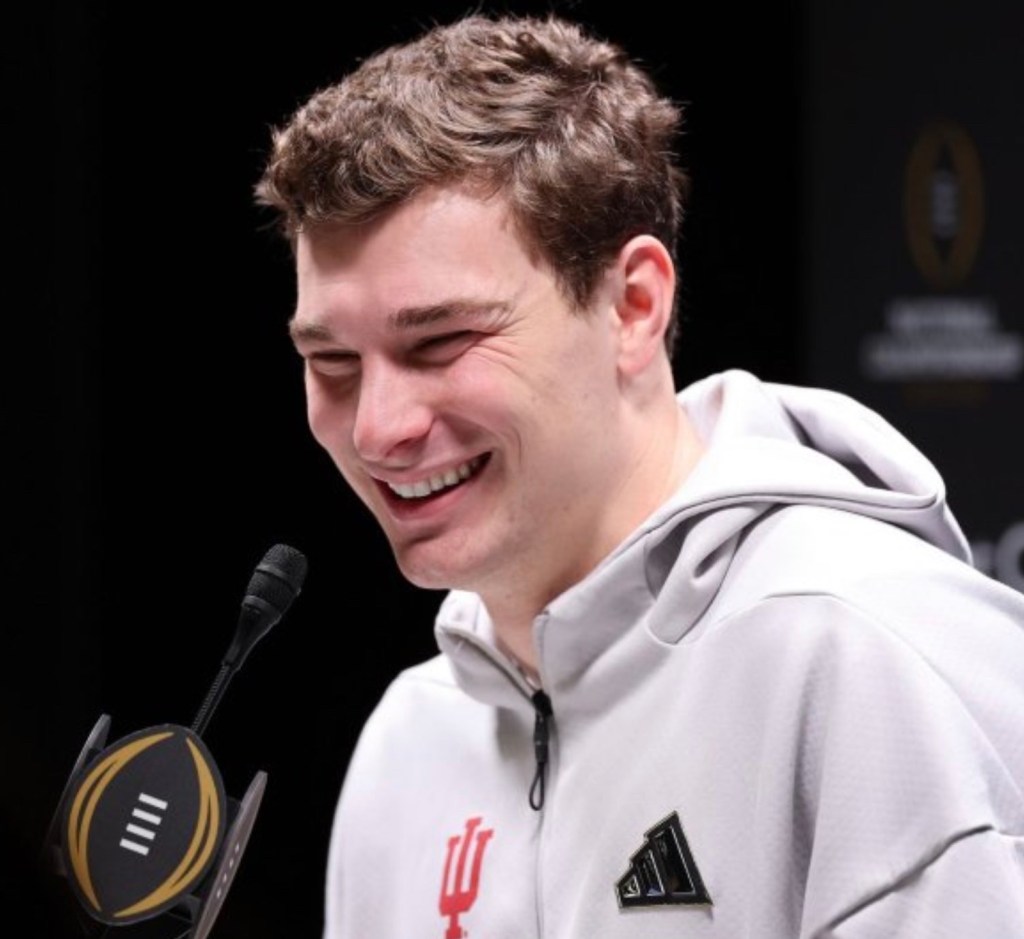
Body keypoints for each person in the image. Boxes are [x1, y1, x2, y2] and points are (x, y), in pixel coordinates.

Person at [254, 12, 1024, 938]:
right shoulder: (408, 743)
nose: (378, 427)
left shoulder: (870, 660)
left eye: (442, 341)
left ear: (633, 304)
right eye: (332, 362)